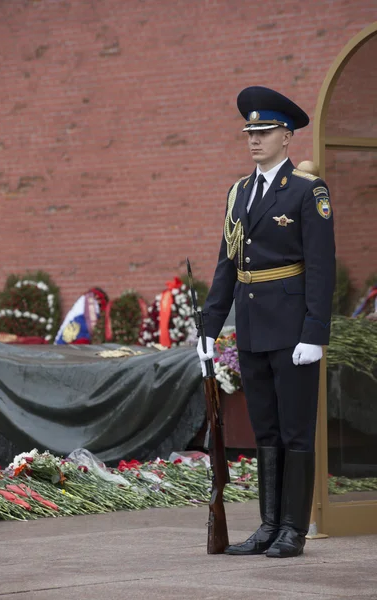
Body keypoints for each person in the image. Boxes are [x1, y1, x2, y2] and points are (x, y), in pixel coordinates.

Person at [196, 86, 336, 558]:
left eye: (264, 131)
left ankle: (293, 529)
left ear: (287, 136)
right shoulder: (239, 191)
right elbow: (227, 265)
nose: (254, 139)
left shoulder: (306, 190)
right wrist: (209, 329)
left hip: (293, 327)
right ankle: (268, 525)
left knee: (296, 430)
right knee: (266, 431)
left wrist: (315, 332)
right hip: (253, 327)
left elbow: (321, 266)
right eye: (249, 132)